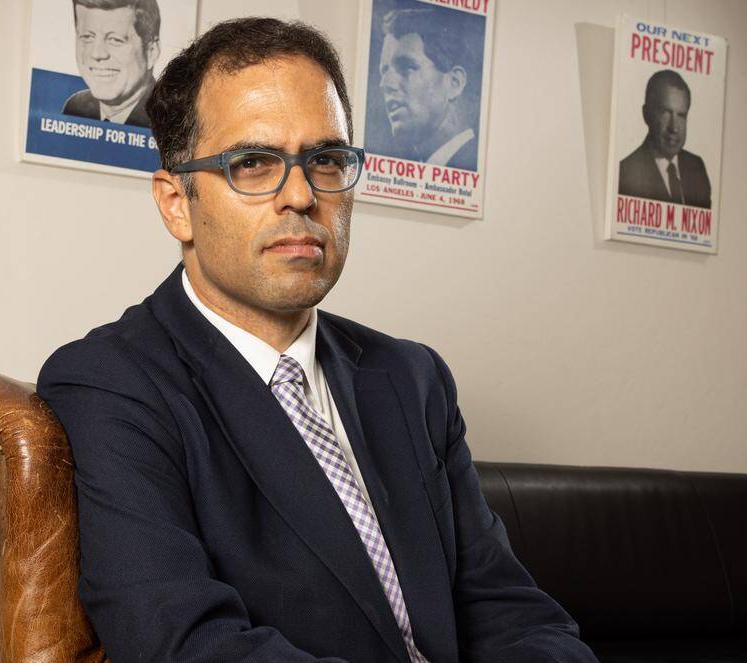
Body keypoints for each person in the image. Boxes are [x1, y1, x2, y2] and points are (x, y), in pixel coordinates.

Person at [39, 17, 598, 663]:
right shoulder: (110, 382)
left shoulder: (412, 378)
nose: (302, 195)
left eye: (326, 160)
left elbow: (512, 613)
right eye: (253, 163)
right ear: (176, 203)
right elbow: (185, 643)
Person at [377, 9, 481, 170]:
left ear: (454, 83)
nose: (384, 83)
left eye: (406, 67)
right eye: (384, 71)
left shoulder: (475, 163)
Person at [618, 69, 712, 209]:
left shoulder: (697, 167)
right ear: (646, 114)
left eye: (681, 115)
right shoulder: (625, 174)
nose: (674, 128)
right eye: (665, 113)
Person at [62, 0, 160, 128]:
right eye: (87, 37)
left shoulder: (166, 119)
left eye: (115, 39)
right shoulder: (75, 108)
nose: (97, 54)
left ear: (151, 52)